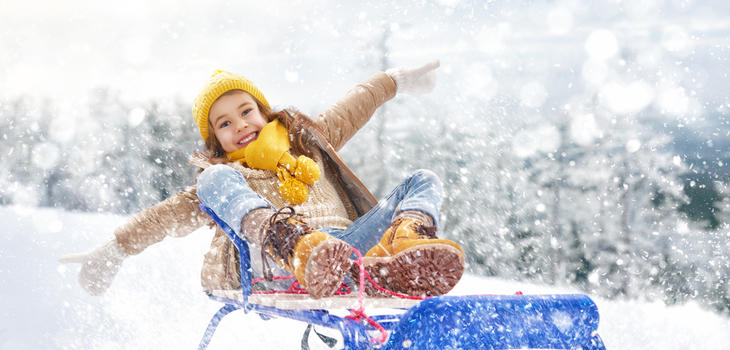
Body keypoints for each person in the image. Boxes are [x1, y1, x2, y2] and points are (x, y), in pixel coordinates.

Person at [60, 61, 465, 299]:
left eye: (246, 111)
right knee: (211, 181)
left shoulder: (309, 140)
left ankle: (398, 254)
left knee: (421, 180)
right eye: (224, 123)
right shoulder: (228, 176)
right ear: (215, 138)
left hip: (345, 249)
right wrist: (113, 250)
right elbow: (163, 217)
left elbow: (353, 105)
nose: (240, 125)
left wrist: (395, 80)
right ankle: (295, 243)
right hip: (270, 263)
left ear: (264, 111)